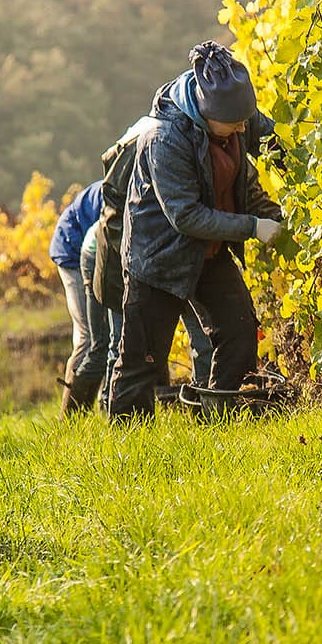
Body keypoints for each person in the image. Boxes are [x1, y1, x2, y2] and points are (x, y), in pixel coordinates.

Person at [107, 42, 285, 418]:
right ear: (207, 114)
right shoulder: (166, 137)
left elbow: (273, 143)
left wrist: (307, 169)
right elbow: (185, 216)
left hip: (209, 251)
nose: (242, 129)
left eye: (245, 121)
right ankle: (126, 449)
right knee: (142, 359)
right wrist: (253, 226)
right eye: (236, 124)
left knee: (238, 333)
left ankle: (215, 421)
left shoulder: (234, 111)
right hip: (159, 257)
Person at [49, 180, 108, 412]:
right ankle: (71, 413)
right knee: (88, 336)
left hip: (96, 252)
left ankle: (105, 405)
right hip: (73, 252)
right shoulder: (115, 189)